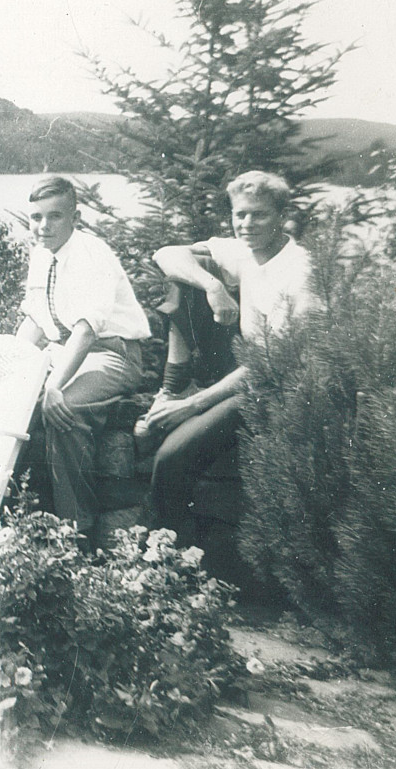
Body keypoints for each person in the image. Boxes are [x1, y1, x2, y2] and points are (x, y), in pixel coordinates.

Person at [144, 171, 318, 546]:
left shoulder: (300, 272)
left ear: (281, 216)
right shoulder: (245, 250)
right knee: (189, 275)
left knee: (172, 457)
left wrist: (194, 405)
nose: (247, 224)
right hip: (246, 370)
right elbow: (166, 255)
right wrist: (214, 286)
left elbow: (271, 364)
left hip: (278, 389)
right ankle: (169, 390)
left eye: (259, 215)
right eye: (240, 215)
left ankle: (168, 561)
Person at [16, 176, 151, 541]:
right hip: (68, 350)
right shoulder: (41, 254)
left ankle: (77, 533)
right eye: (36, 217)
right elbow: (35, 320)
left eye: (54, 217)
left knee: (65, 412)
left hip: (112, 353)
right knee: (12, 406)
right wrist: (11, 369)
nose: (43, 226)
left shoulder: (92, 253)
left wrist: (54, 386)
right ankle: (23, 523)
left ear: (74, 217)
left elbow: (88, 328)